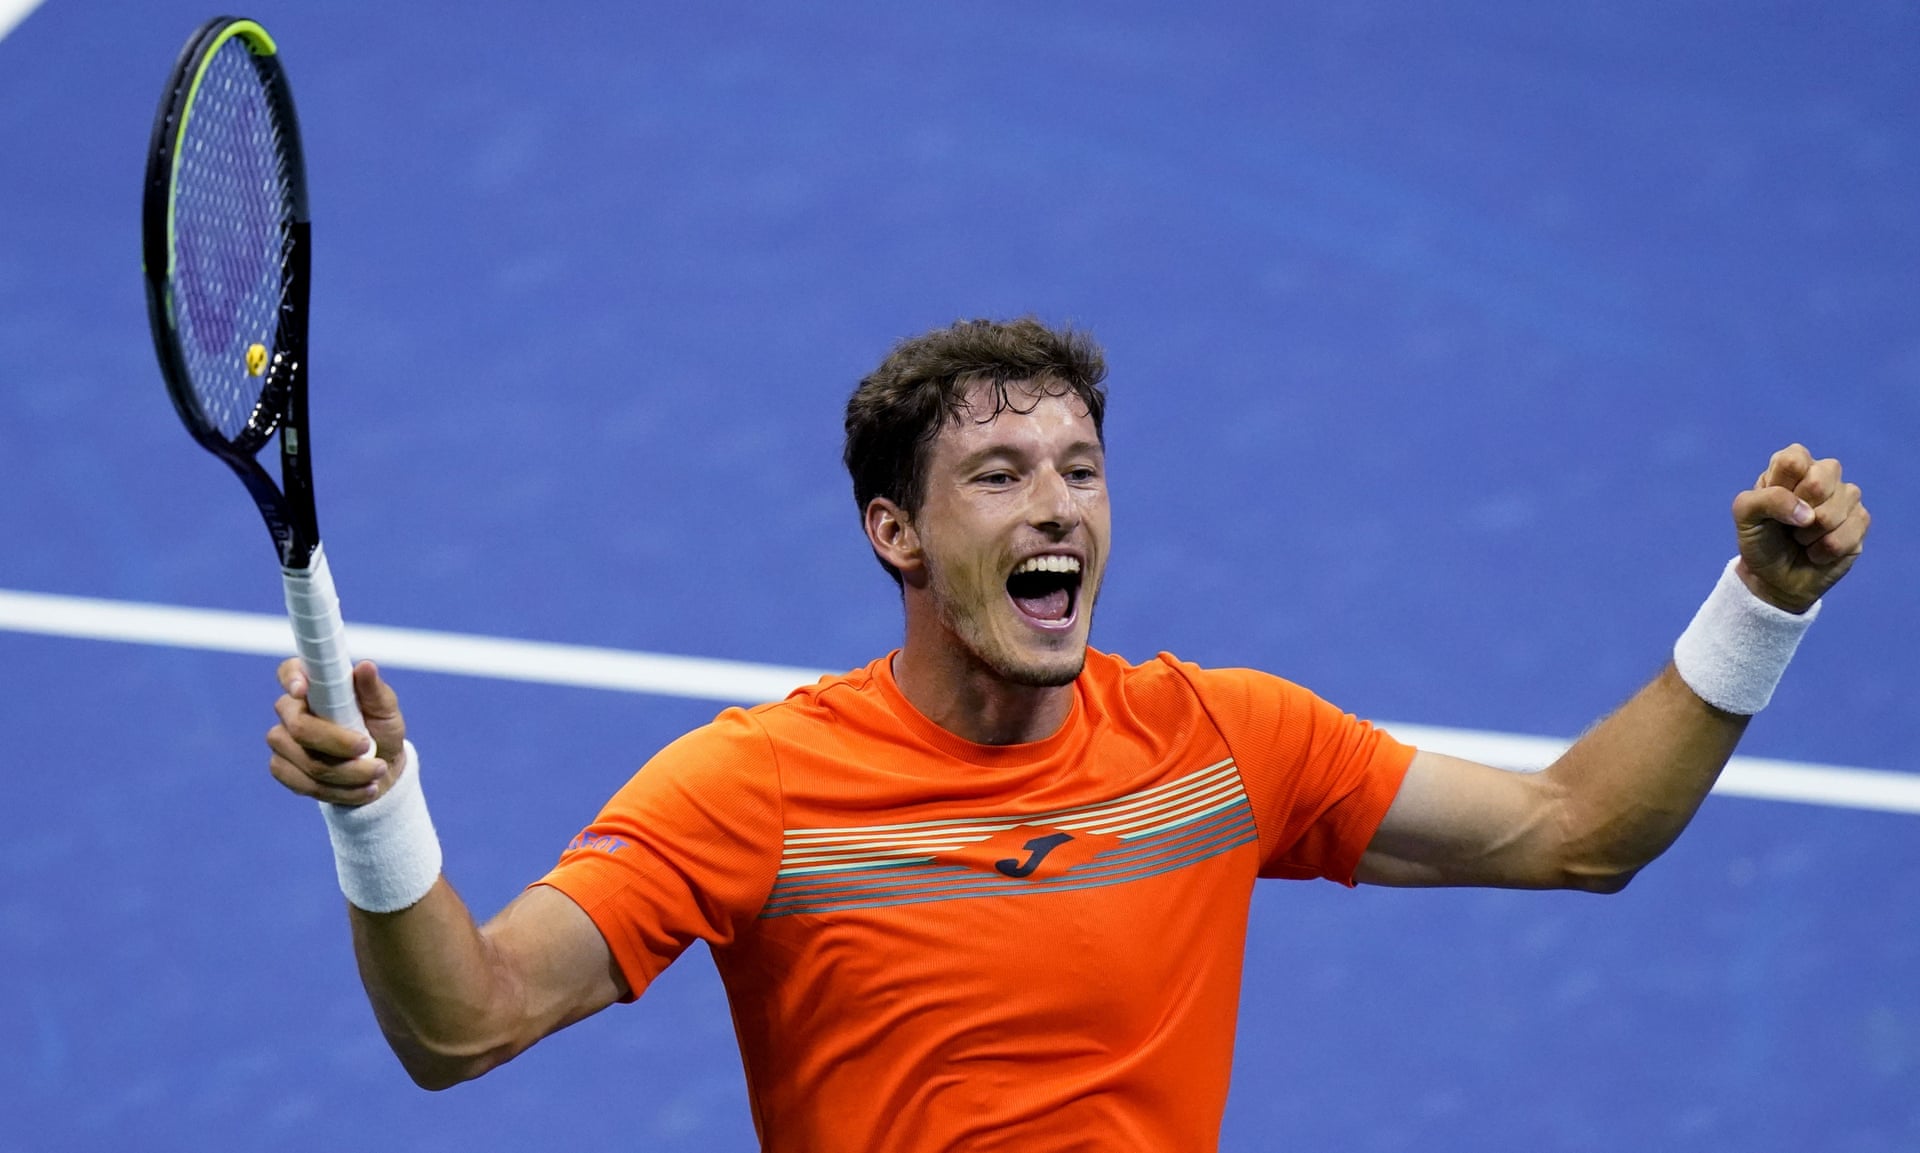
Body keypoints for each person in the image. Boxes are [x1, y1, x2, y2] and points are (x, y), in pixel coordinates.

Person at [267, 318, 1868, 1150]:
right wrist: (376, 812)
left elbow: (1582, 828)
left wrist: (1762, 603)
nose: (1058, 505)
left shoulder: (1222, 745)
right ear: (896, 533)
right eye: (1001, 473)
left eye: (1082, 467)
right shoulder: (757, 790)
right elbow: (460, 1025)